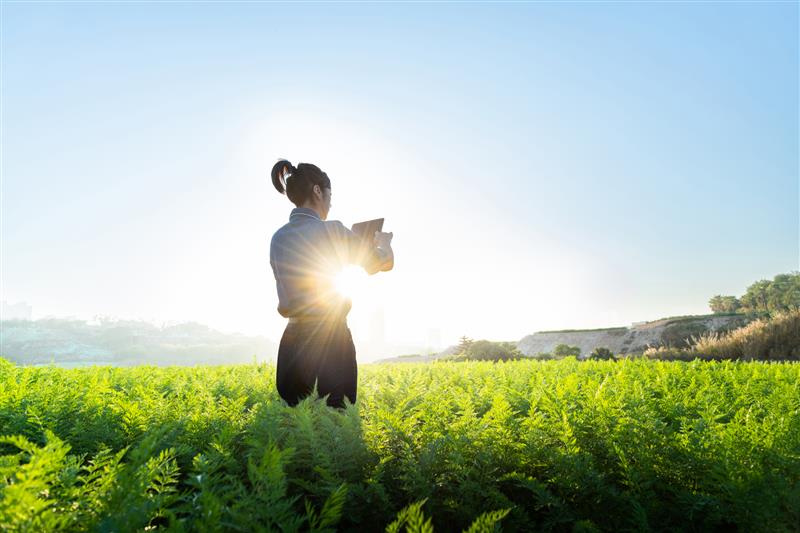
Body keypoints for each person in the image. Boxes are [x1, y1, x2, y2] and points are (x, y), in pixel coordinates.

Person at [269, 159, 394, 408]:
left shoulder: (278, 238)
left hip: (292, 342)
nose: (330, 202)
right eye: (329, 194)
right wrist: (384, 243)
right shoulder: (333, 231)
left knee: (296, 425)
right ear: (317, 191)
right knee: (337, 423)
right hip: (331, 339)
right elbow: (380, 264)